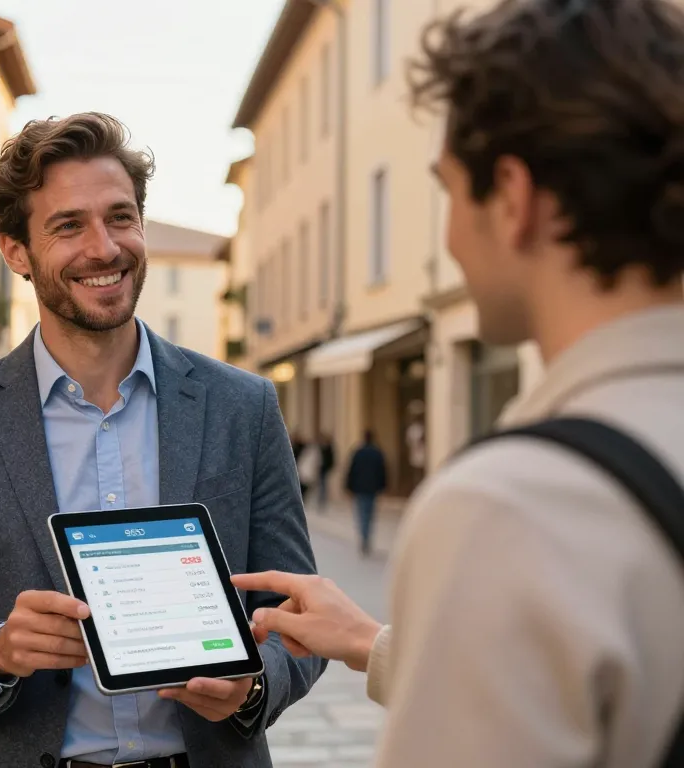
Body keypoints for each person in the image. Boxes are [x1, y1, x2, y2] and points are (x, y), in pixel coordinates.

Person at [236, 1, 684, 765]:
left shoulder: (513, 506)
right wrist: (375, 646)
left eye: (448, 190)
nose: (448, 236)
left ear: (511, 198)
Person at [0, 112, 324, 768]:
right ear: (15, 251)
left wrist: (253, 687)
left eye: (120, 216)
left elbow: (297, 614)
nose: (104, 248)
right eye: (68, 225)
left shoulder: (242, 407)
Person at [344, 431, 387, 556]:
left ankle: (364, 537)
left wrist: (349, 487)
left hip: (360, 488)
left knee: (362, 513)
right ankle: (366, 538)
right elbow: (382, 471)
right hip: (372, 488)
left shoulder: (358, 453)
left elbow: (351, 470)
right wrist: (382, 486)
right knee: (370, 514)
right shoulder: (377, 453)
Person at [316, 433, 335, 507]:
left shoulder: (328, 448)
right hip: (320, 469)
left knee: (323, 485)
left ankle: (322, 500)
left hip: (324, 469)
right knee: (321, 485)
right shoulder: (320, 447)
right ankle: (320, 500)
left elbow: (331, 460)